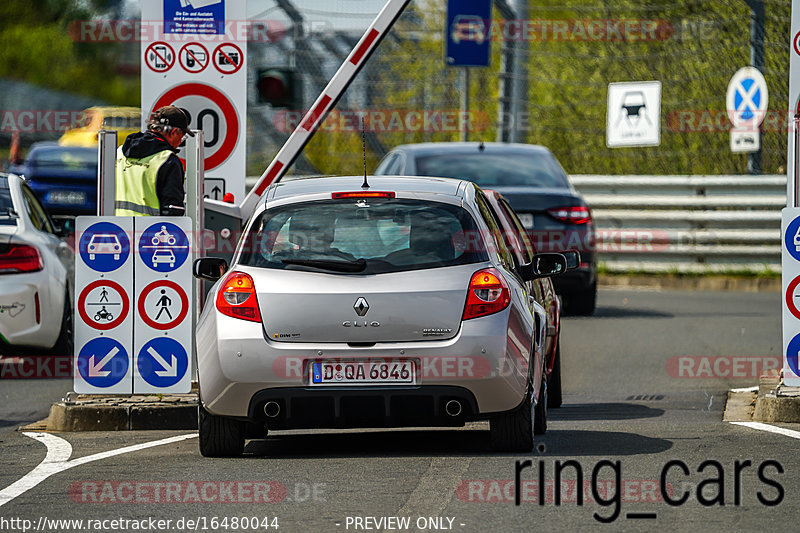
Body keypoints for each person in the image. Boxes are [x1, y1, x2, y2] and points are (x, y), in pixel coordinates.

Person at [114, 106, 194, 216]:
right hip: (151, 231)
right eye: (182, 137)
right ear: (174, 132)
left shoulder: (119, 152)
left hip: (116, 228)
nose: (180, 142)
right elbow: (173, 210)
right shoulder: (167, 160)